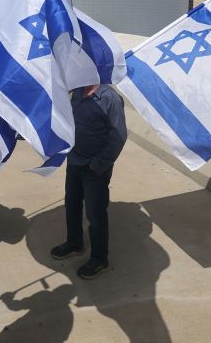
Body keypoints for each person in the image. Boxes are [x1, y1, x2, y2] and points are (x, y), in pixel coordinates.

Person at [50, 84, 127, 279]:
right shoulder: (76, 92)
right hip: (75, 161)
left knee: (95, 213)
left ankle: (100, 259)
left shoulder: (110, 99)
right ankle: (75, 242)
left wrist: (98, 164)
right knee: (72, 204)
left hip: (96, 168)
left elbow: (118, 137)